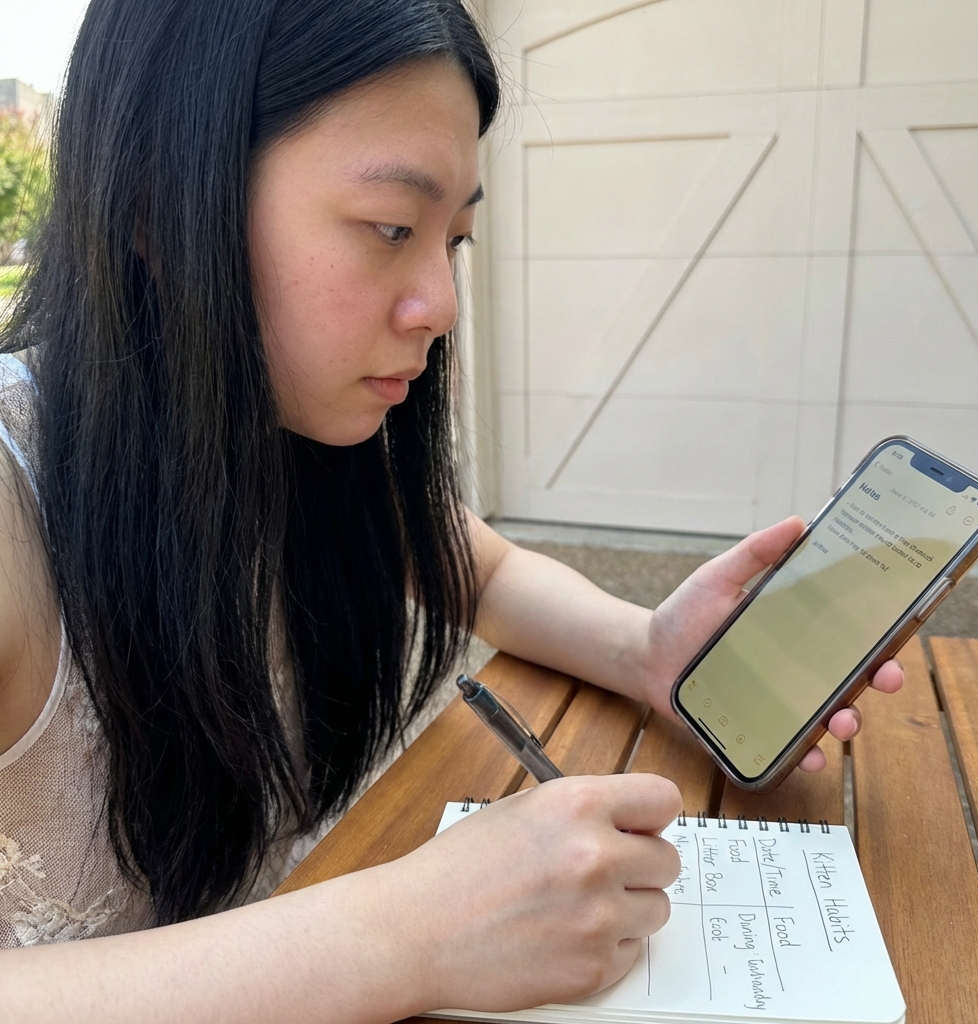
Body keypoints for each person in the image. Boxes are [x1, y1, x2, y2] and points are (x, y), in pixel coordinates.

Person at [0, 1, 903, 1019]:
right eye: (391, 227)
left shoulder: (306, 431)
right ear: (157, 208)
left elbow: (483, 570)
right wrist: (406, 933)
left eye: (455, 239)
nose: (440, 304)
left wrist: (649, 649)